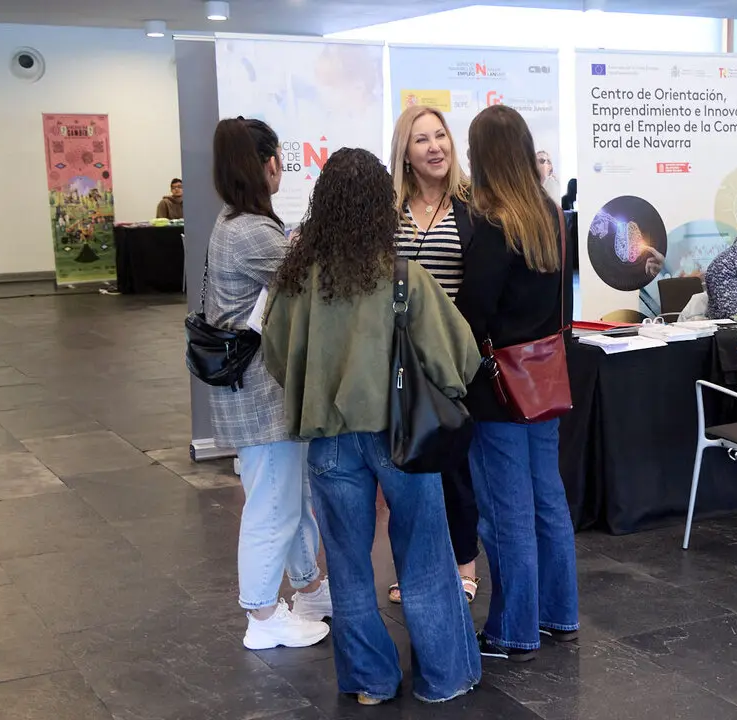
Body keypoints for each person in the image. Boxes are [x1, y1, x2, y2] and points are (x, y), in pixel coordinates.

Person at [263, 147, 482, 705]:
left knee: (347, 565)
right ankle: (444, 678)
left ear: (323, 204)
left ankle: (370, 682)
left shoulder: (297, 281)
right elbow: (459, 359)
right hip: (402, 436)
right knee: (425, 555)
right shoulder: (404, 277)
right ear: (381, 206)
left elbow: (277, 357)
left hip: (329, 442)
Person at [455, 105, 579, 663]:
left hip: (498, 386)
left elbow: (472, 312)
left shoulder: (494, 225)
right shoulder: (549, 214)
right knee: (547, 499)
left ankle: (513, 629)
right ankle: (559, 612)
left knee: (507, 512)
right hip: (545, 374)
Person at [205, 117, 330, 650]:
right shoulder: (252, 232)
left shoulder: (237, 222)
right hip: (261, 395)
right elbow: (311, 284)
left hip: (259, 391)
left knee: (288, 496)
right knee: (272, 507)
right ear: (268, 164)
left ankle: (310, 588)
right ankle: (261, 614)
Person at [386, 105, 482, 607]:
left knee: (455, 467)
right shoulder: (390, 211)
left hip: (453, 357)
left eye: (440, 136)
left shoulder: (471, 205)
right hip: (401, 359)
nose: (434, 147)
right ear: (405, 152)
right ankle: (415, 567)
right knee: (407, 470)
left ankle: (465, 565)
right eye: (421, 139)